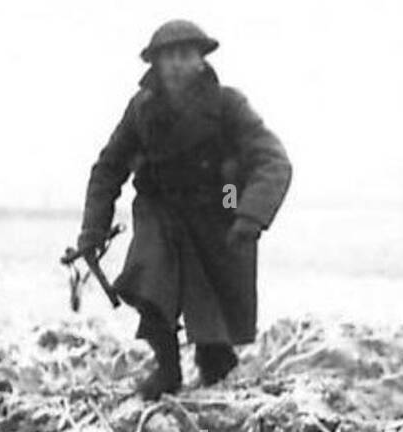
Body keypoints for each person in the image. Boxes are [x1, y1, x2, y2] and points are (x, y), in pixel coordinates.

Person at [75, 19, 292, 399]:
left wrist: (249, 215)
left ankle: (216, 366)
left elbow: (272, 160)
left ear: (200, 60)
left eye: (185, 54)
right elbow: (108, 168)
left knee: (214, 315)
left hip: (223, 200)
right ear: (154, 64)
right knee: (150, 277)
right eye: (167, 56)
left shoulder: (228, 104)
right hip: (161, 206)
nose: (176, 64)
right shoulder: (141, 110)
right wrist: (92, 230)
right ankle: (167, 367)